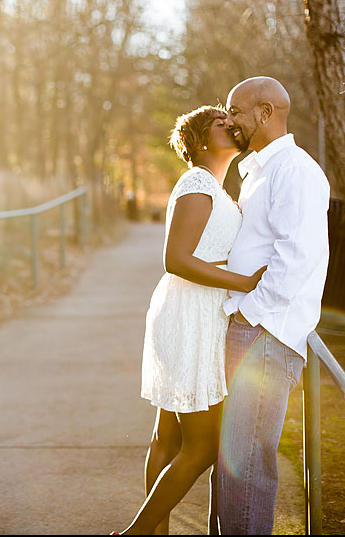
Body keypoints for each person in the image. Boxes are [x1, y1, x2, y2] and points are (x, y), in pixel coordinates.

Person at [115, 105, 265, 535]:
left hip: (193, 311)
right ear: (201, 141)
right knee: (202, 448)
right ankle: (136, 533)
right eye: (221, 123)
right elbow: (176, 259)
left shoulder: (218, 189)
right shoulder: (198, 181)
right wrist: (243, 281)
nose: (231, 125)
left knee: (168, 437)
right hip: (190, 315)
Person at [216, 76, 330, 534]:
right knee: (232, 465)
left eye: (236, 111)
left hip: (265, 336)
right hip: (249, 331)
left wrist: (250, 314)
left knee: (247, 466)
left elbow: (296, 256)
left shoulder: (295, 170)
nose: (229, 121)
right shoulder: (259, 171)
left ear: (265, 113)